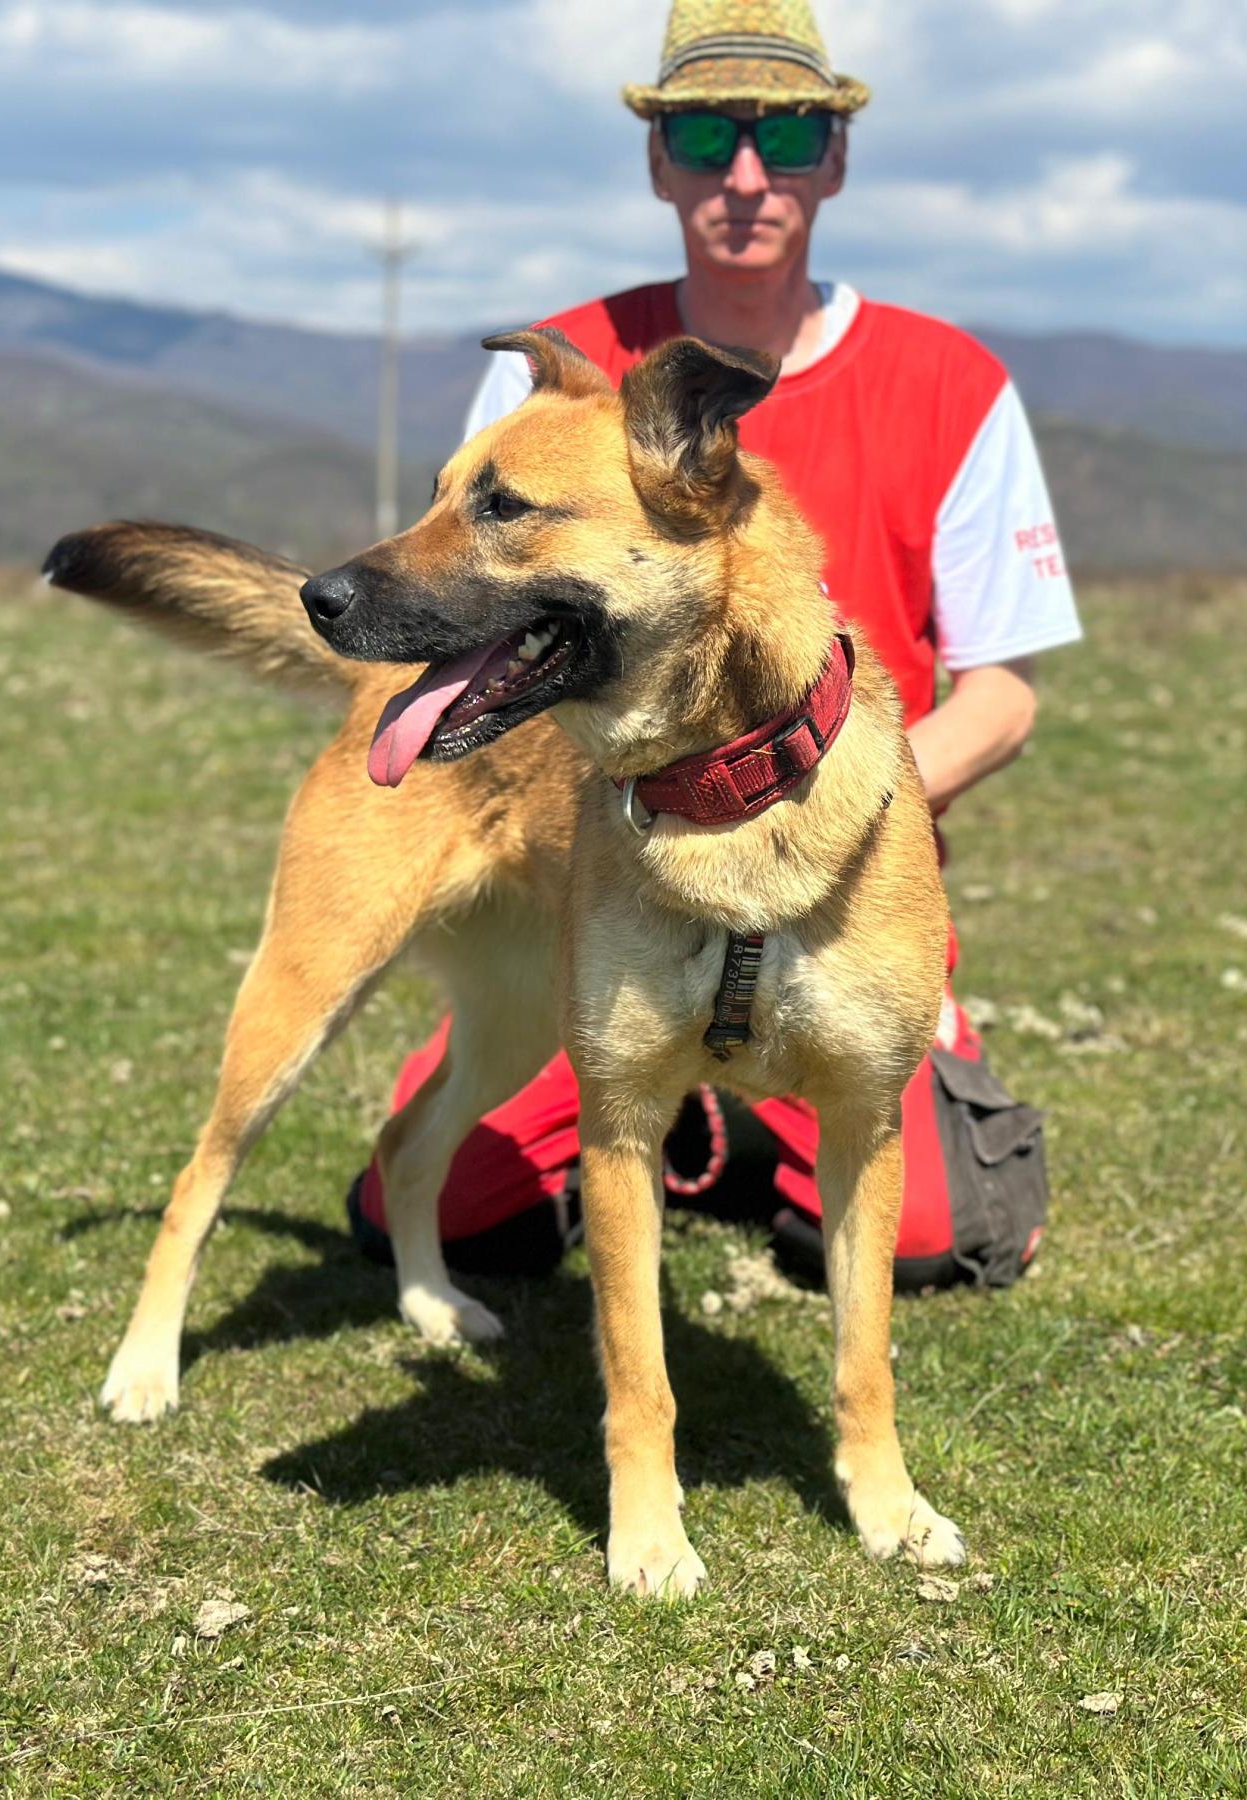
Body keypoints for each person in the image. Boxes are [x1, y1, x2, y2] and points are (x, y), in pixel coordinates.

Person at [349, 0, 1081, 1287]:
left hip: (842, 903)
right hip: (617, 899)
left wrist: (812, 798)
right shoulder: (553, 381)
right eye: (703, 135)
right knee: (446, 1209)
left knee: (928, 1238)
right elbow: (480, 622)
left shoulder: (951, 382)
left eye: (785, 133)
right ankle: (666, 1108)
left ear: (834, 158)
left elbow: (1005, 698)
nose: (745, 174)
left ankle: (786, 1115)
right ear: (658, 160)